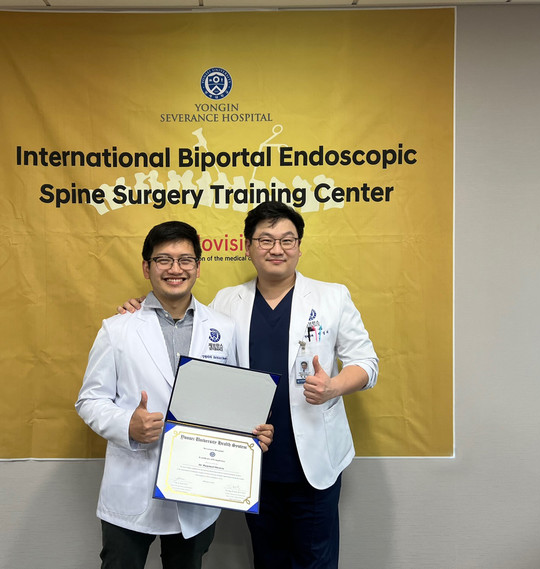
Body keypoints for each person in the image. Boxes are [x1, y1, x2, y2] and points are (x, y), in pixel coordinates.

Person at [120, 202, 378, 569]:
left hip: (314, 460)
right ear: (248, 247)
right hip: (249, 459)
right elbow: (191, 333)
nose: (277, 249)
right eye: (266, 240)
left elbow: (366, 363)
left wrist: (334, 387)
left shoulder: (332, 297)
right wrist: (143, 310)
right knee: (267, 559)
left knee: (316, 560)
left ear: (299, 247)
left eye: (287, 240)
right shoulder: (227, 301)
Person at [76, 220, 274, 569]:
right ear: (147, 267)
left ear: (198, 267)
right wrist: (127, 425)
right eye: (163, 260)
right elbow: (90, 400)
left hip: (197, 487)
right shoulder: (117, 329)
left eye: (185, 260)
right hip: (133, 486)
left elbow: (237, 399)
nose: (175, 269)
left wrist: (253, 433)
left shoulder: (223, 328)